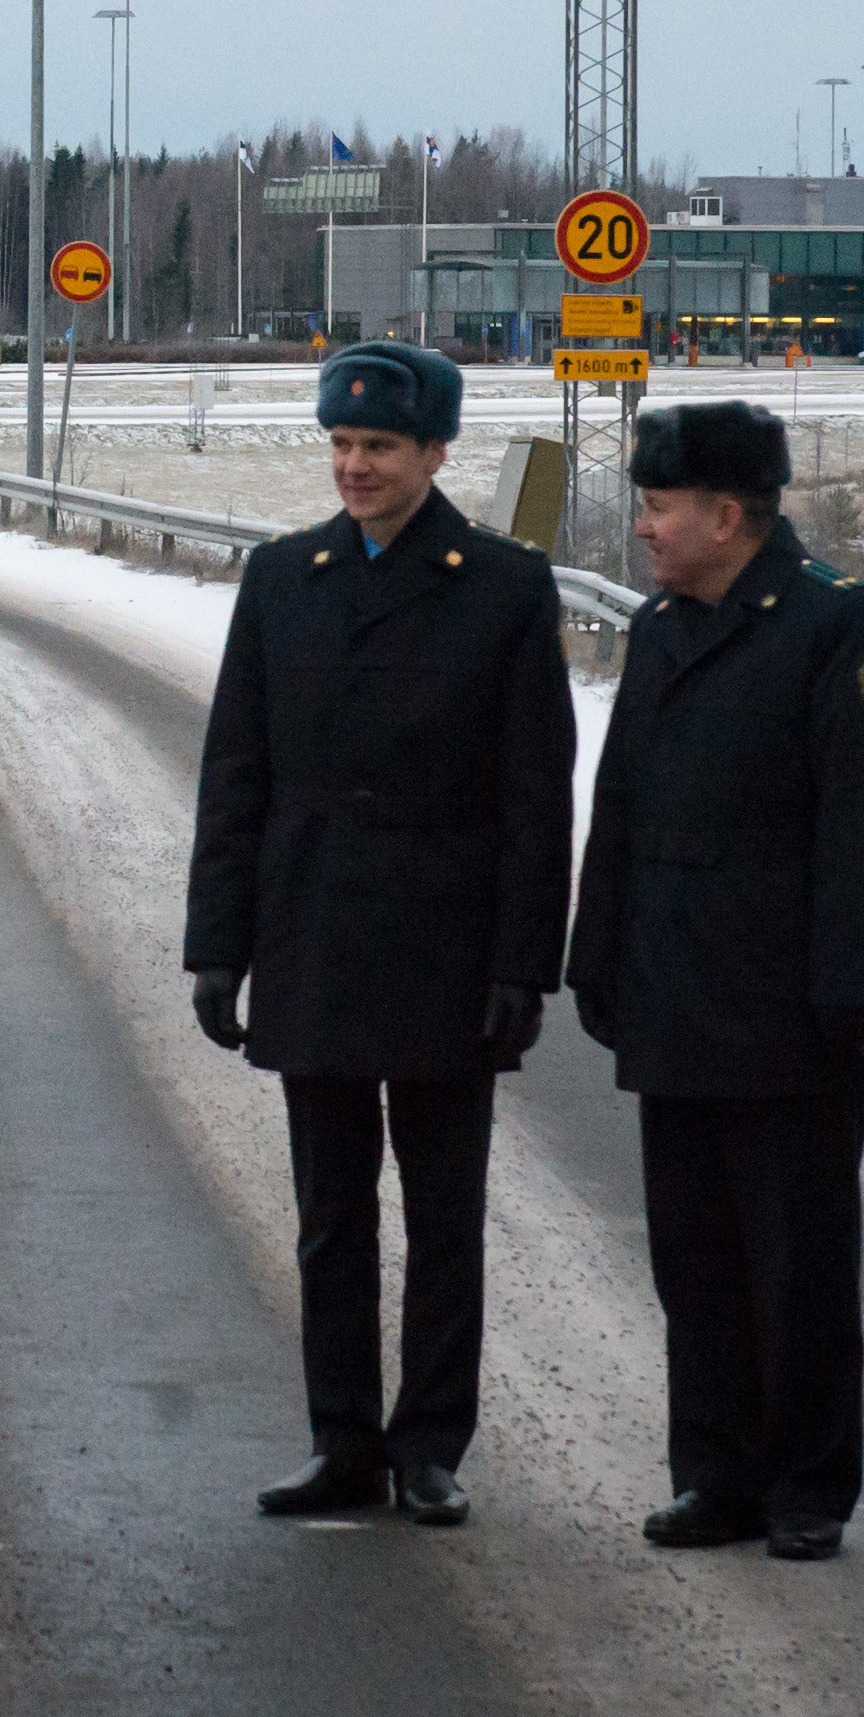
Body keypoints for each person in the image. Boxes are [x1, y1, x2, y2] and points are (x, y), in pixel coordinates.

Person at [188, 337, 575, 1529]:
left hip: (444, 944)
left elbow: (534, 795)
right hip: (312, 931)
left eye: (379, 447)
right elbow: (235, 771)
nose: (353, 466)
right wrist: (217, 942)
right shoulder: (281, 576)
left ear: (434, 451)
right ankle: (341, 1438)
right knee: (328, 1214)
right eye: (341, 444)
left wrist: (523, 961)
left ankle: (429, 1444)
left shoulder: (502, 586)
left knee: (442, 1214)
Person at [568, 400, 864, 1563]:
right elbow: (618, 802)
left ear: (727, 514)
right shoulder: (667, 628)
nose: (641, 531)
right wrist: (596, 952)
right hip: (673, 990)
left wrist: (850, 995)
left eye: (657, 508)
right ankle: (714, 1472)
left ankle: (809, 1484)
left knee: (798, 1260)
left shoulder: (839, 628)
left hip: (786, 1009)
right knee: (694, 1257)